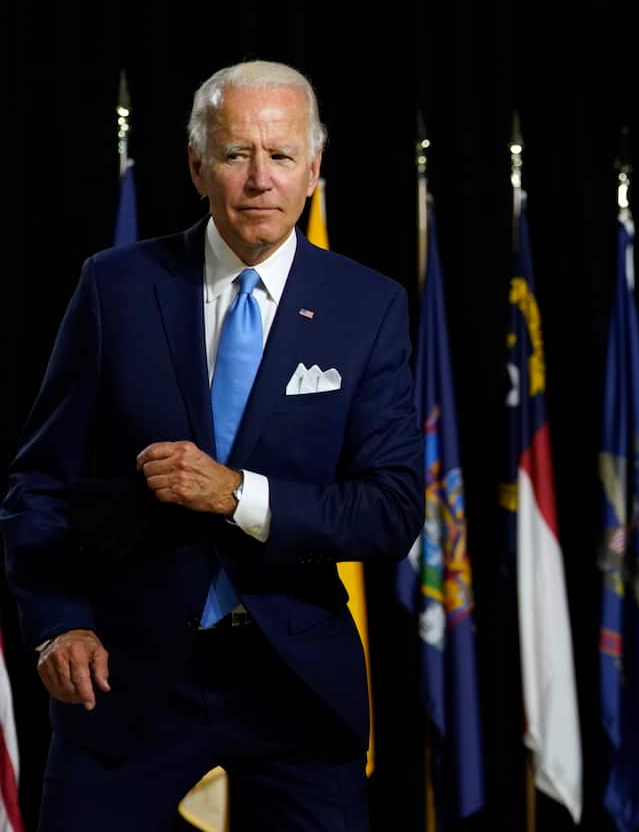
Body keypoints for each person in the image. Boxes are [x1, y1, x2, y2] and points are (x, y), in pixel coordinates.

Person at [0, 60, 423, 830]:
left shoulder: (369, 307)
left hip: (295, 682)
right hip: (124, 676)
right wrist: (58, 620)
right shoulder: (115, 288)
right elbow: (38, 483)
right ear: (197, 166)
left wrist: (235, 494)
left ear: (315, 169)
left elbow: (391, 510)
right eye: (236, 155)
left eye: (282, 155)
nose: (260, 179)